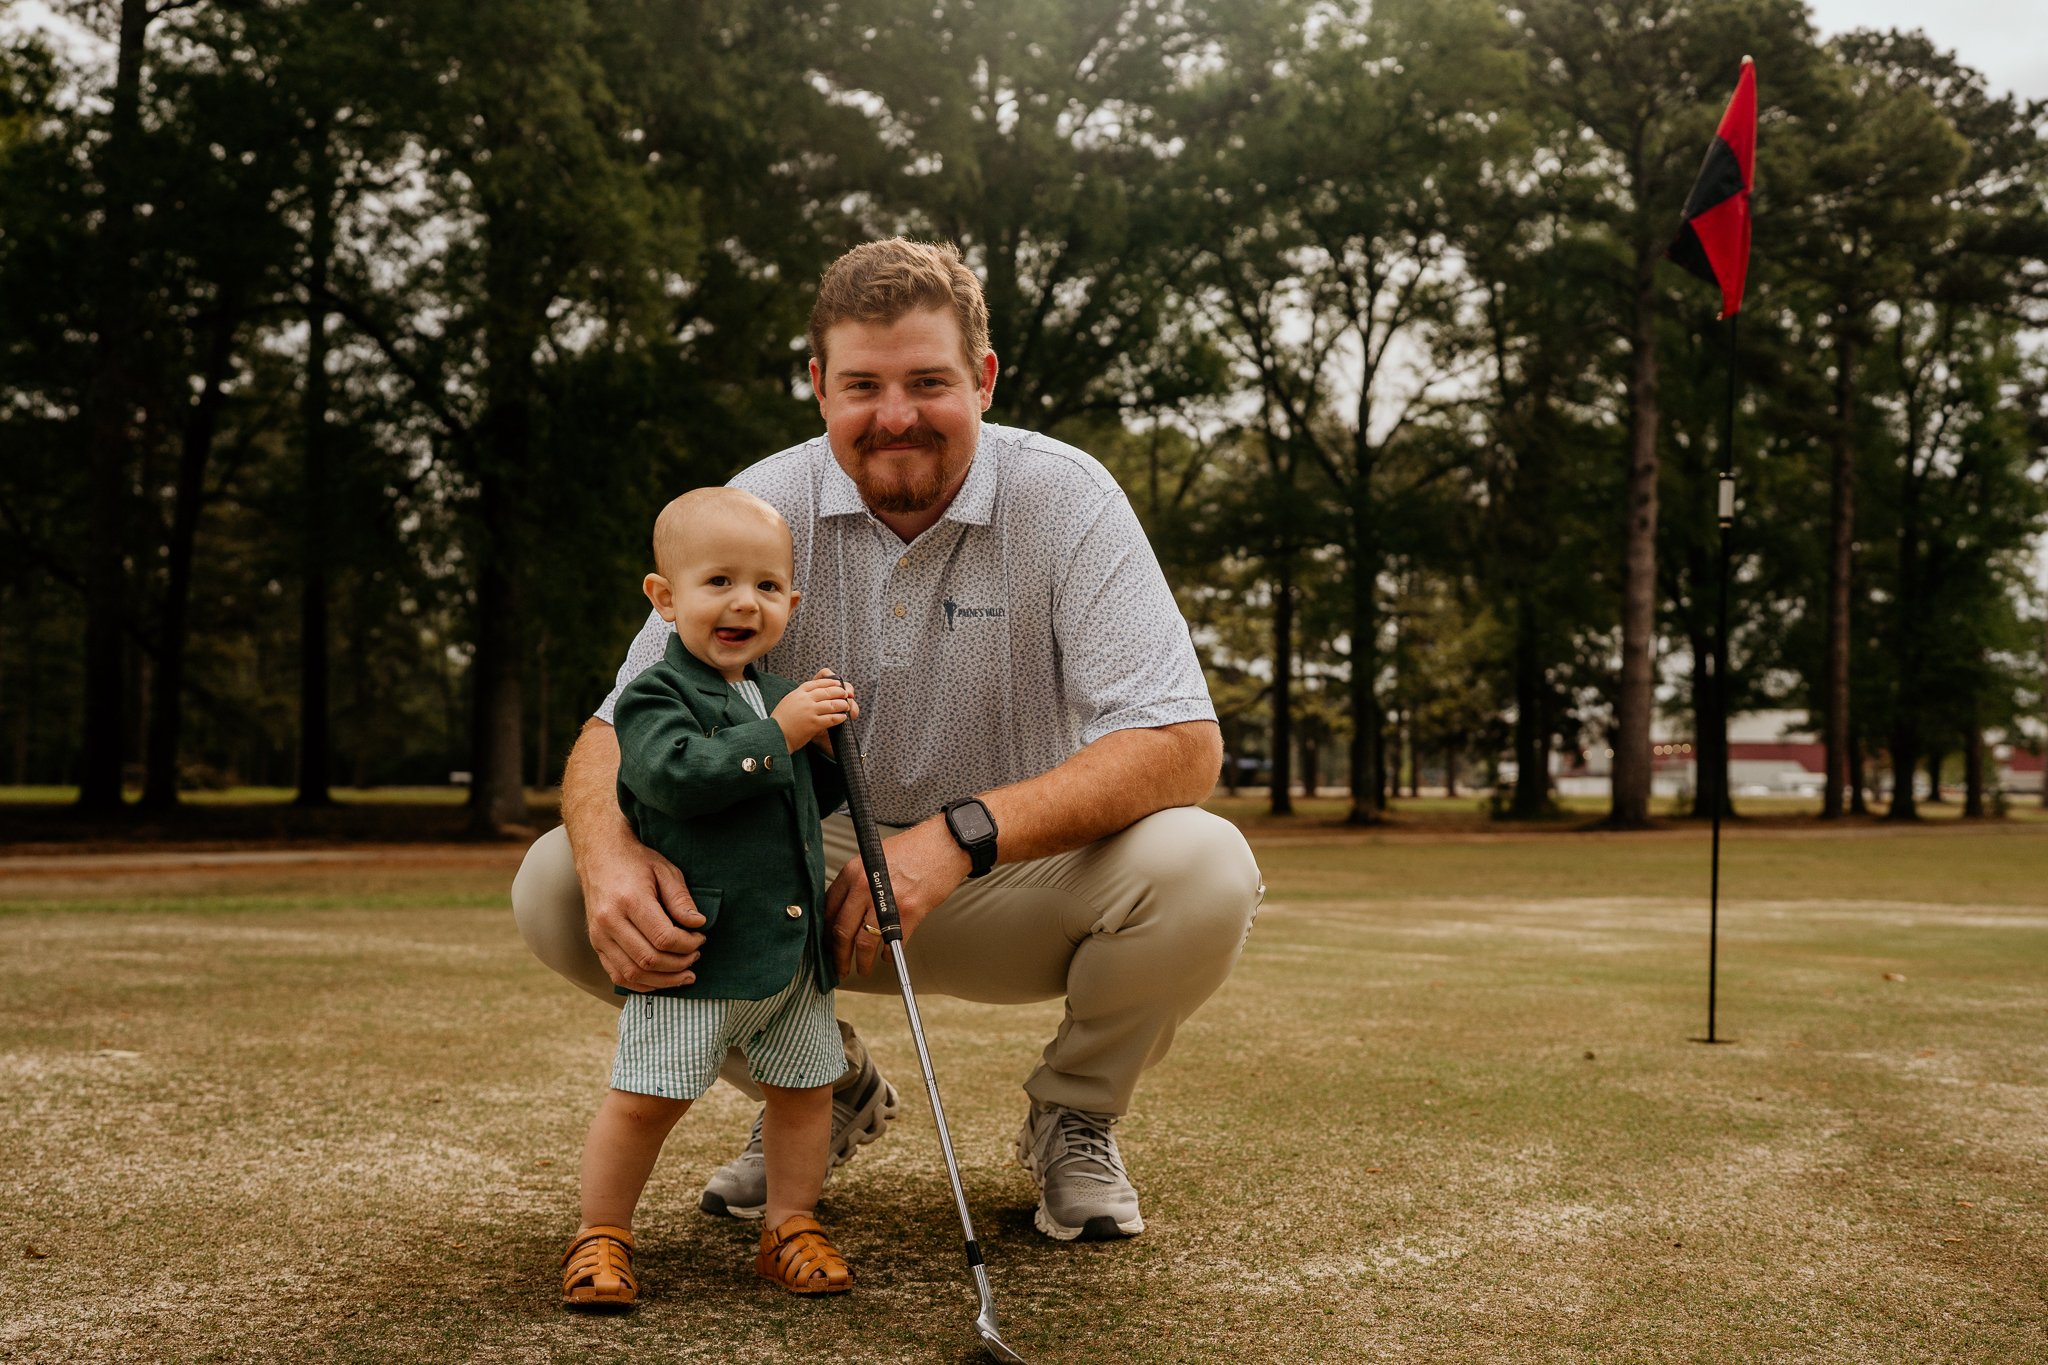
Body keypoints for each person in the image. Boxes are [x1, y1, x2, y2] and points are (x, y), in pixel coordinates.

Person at [515, 237, 1263, 1245]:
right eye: (863, 385)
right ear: (819, 385)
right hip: (797, 872)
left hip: (1012, 871)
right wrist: (611, 857)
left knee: (1206, 864)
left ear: (983, 380)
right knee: (560, 881)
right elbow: (617, 726)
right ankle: (817, 1083)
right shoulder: (761, 503)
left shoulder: (1068, 497)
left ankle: (1074, 1114)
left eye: (928, 382)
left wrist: (955, 836)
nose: (896, 415)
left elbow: (1178, 741)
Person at [561, 488, 862, 1308]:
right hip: (700, 950)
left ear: (792, 603)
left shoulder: (776, 694)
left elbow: (799, 804)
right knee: (648, 1098)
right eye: (719, 581)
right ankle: (601, 1233)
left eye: (767, 586)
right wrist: (783, 734)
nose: (744, 602)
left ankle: (789, 1224)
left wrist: (825, 753)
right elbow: (676, 776)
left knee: (805, 1094)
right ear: (665, 598)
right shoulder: (654, 696)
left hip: (790, 955)